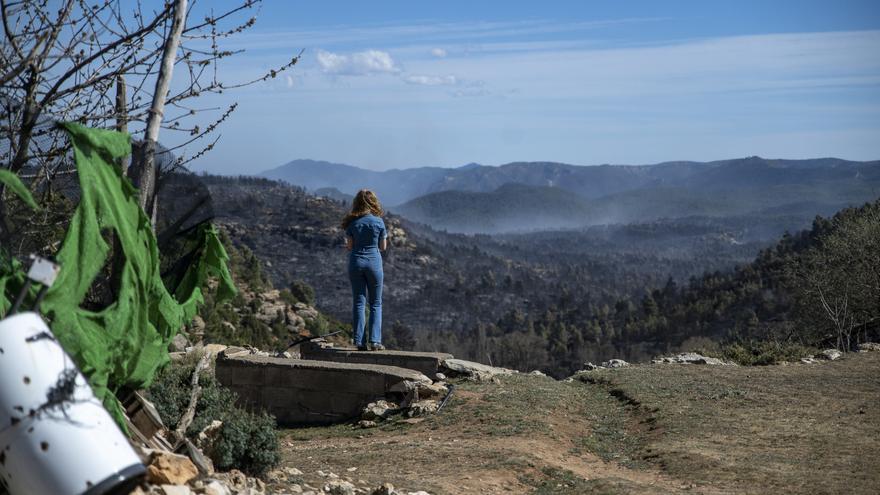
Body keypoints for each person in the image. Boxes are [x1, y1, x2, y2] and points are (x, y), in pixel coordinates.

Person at [341, 189, 388, 351]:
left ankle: (359, 342)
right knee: (375, 303)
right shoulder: (379, 222)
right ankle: (375, 341)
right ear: (373, 202)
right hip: (374, 262)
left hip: (356, 263)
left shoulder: (352, 222)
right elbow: (383, 247)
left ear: (357, 203)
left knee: (359, 302)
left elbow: (349, 246)